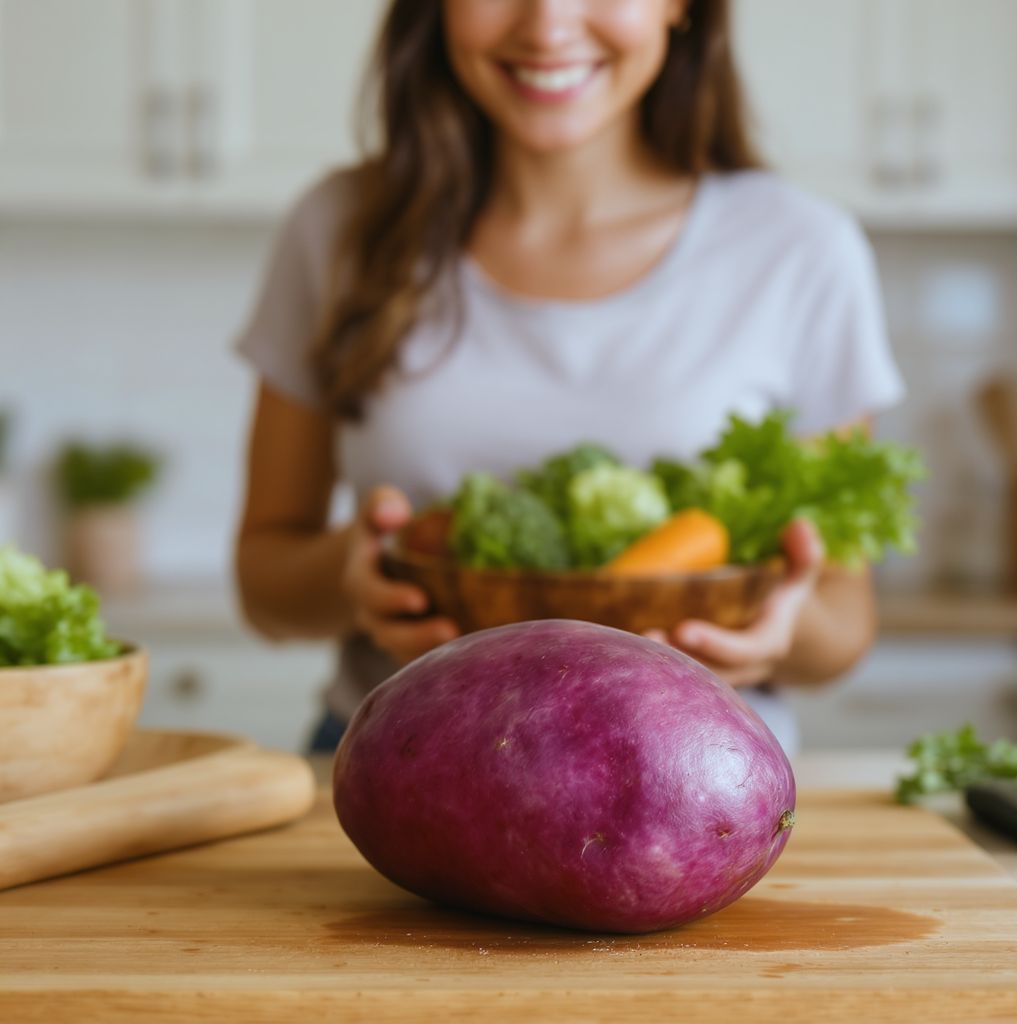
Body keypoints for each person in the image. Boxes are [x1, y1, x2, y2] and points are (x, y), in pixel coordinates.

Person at [233, 0, 904, 757]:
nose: (547, 25)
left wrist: (769, 631)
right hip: (400, 762)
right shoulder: (341, 226)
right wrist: (349, 580)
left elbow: (845, 624)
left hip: (688, 779)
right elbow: (264, 583)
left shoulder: (799, 250)